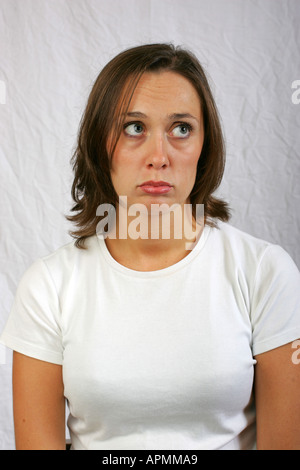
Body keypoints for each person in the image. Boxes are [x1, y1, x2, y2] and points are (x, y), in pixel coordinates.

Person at [1, 43, 300, 451]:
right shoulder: (49, 285)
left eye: (181, 129)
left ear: (204, 146)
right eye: (134, 128)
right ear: (99, 144)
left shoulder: (266, 272)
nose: (159, 157)